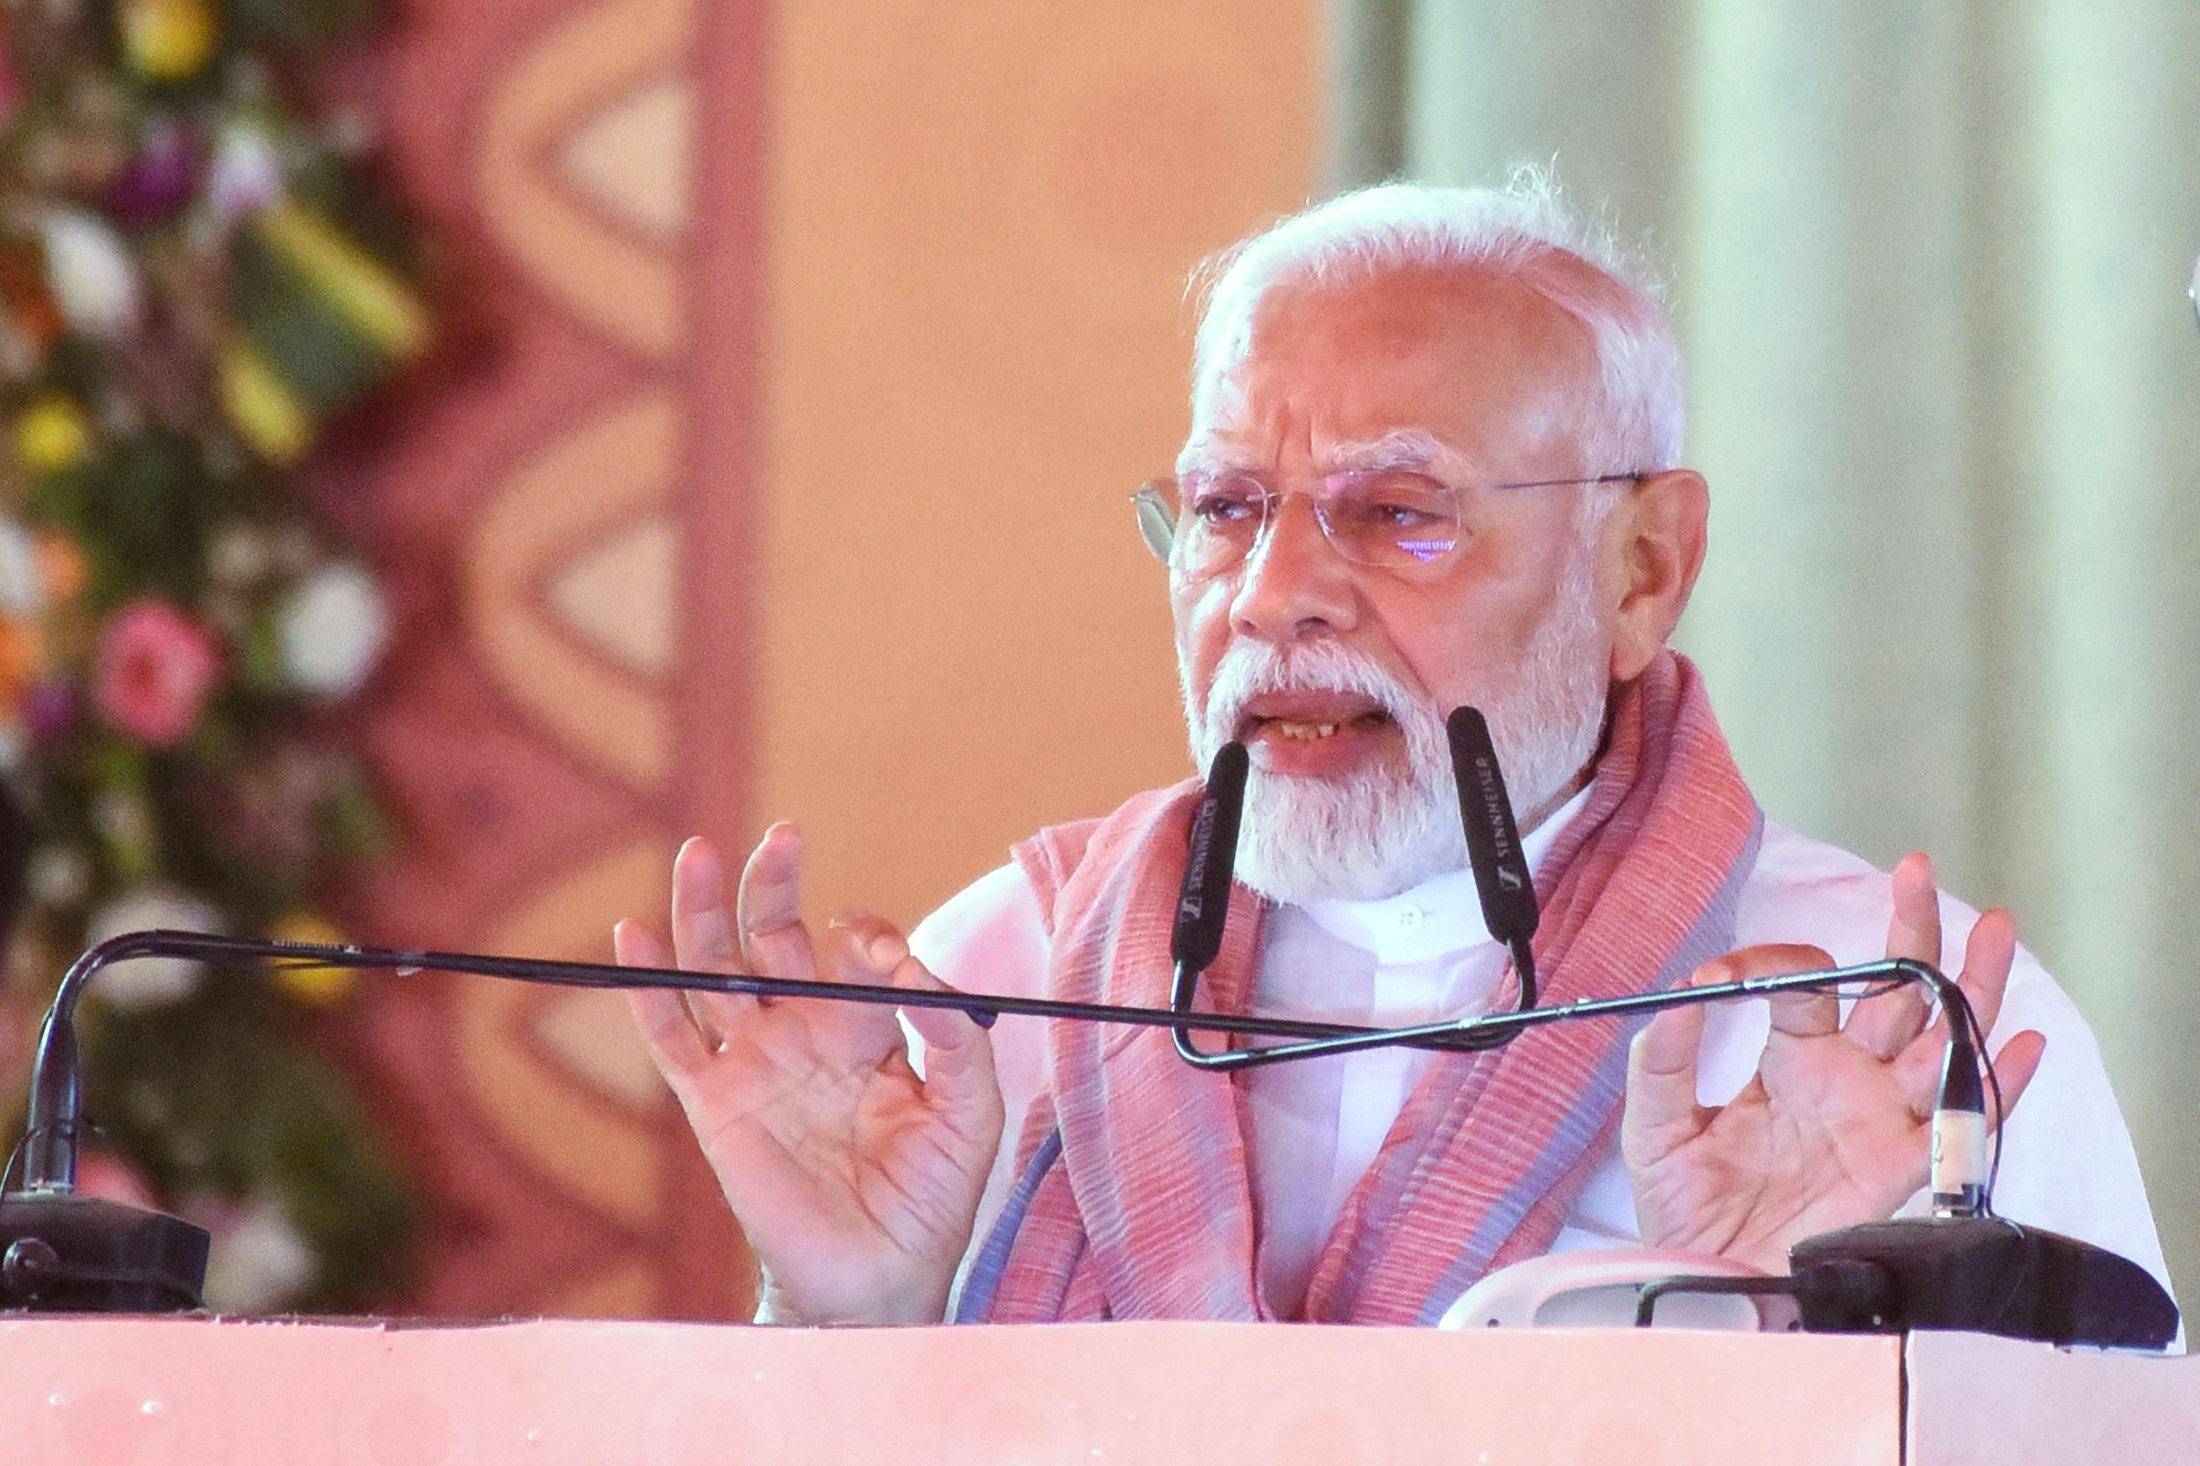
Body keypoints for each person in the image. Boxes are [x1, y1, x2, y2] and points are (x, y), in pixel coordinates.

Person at [614, 171, 2169, 1327]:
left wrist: (1777, 1344)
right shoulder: (990, 992)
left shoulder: (1905, 1035)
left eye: (1399, 512)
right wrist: (844, 1317)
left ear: (1642, 566)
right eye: (1223, 509)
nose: (1273, 597)